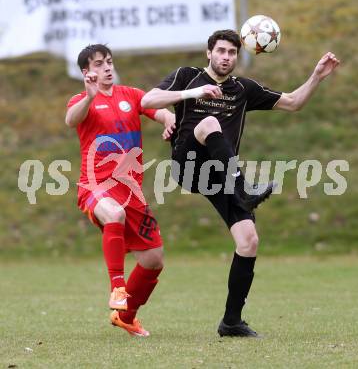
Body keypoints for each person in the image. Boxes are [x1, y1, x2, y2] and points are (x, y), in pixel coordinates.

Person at [141, 29, 339, 337]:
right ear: (209, 53)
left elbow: (293, 103)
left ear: (238, 56)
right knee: (209, 123)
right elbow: (148, 99)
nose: (225, 57)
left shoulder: (242, 89)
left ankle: (231, 321)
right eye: (220, 51)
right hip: (188, 165)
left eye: (232, 53)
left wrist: (316, 76)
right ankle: (244, 189)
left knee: (248, 241)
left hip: (219, 175)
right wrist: (192, 94)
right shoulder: (188, 76)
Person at [65, 44, 175, 337]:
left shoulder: (131, 95)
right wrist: (89, 97)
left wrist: (168, 120)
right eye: (99, 64)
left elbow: (158, 110)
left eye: (109, 62)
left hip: (131, 191)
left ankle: (126, 315)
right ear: (87, 73)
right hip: (95, 186)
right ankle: (117, 287)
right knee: (113, 213)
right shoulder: (81, 100)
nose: (107, 68)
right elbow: (71, 119)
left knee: (154, 260)